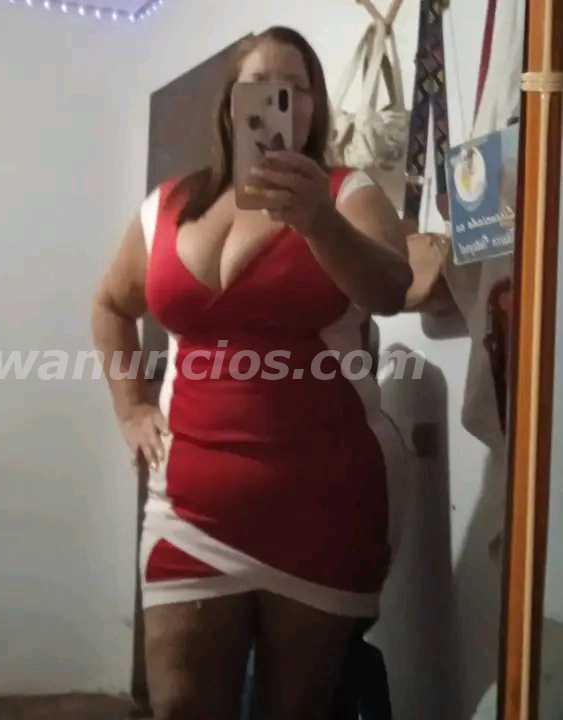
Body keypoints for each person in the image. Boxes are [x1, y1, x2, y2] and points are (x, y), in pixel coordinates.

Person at [92, 26, 412, 720]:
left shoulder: (345, 193)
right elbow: (111, 304)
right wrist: (131, 407)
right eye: (261, 86)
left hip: (324, 508)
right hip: (187, 509)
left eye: (295, 89)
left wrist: (319, 223)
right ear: (229, 105)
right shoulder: (168, 206)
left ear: (314, 107)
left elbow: (392, 288)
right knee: (178, 707)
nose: (278, 102)